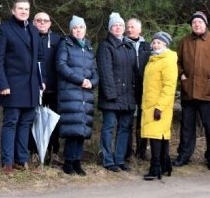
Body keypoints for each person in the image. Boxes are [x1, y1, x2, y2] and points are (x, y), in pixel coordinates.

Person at [173, 10, 210, 171]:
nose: (197, 25)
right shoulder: (185, 41)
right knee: (187, 127)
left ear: (205, 24)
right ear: (191, 26)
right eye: (194, 23)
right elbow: (176, 62)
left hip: (208, 93)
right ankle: (184, 156)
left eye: (200, 22)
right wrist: (182, 76)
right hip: (188, 93)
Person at [0, 0, 42, 175]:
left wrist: (40, 81)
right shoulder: (4, 29)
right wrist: (2, 84)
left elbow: (37, 61)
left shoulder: (34, 31)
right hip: (11, 86)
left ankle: (21, 159)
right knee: (11, 122)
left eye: (27, 9)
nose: (23, 11)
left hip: (31, 87)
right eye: (20, 8)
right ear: (13, 11)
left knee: (25, 123)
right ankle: (7, 163)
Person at [56, 15, 99, 176]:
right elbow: (61, 66)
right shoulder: (65, 44)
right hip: (70, 92)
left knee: (82, 129)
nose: (78, 30)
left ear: (85, 30)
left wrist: (92, 83)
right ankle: (68, 162)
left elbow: (95, 72)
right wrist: (80, 80)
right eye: (75, 28)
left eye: (81, 27)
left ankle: (77, 162)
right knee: (72, 129)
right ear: (71, 30)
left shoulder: (88, 47)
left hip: (85, 93)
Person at [96, 12, 138, 172]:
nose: (118, 28)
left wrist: (134, 92)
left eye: (121, 25)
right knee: (109, 127)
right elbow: (105, 72)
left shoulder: (128, 46)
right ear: (110, 28)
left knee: (125, 128)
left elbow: (134, 72)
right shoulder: (105, 46)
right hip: (111, 97)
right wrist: (111, 95)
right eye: (115, 25)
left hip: (127, 97)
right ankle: (107, 160)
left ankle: (119, 159)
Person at [141, 31, 178, 181]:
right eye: (154, 42)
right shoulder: (153, 60)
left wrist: (160, 106)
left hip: (159, 105)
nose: (155, 45)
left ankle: (155, 166)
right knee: (160, 135)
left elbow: (169, 86)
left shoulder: (167, 60)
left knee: (156, 136)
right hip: (150, 104)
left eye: (159, 43)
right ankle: (165, 164)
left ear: (165, 45)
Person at [28, 11, 62, 165]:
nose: (42, 23)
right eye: (38, 20)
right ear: (33, 22)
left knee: (54, 123)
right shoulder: (27, 37)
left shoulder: (58, 40)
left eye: (45, 20)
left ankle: (53, 152)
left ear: (50, 23)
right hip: (33, 89)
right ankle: (33, 152)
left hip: (54, 89)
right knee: (32, 121)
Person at [125, 17, 151, 161]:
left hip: (144, 89)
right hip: (128, 89)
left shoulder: (147, 46)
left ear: (140, 30)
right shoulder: (122, 44)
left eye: (133, 27)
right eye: (128, 27)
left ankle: (142, 151)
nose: (129, 29)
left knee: (143, 121)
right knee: (127, 122)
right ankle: (127, 152)